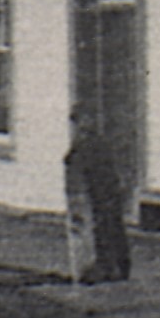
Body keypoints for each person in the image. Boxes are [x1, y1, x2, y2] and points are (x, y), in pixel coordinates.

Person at [63, 107, 130, 283]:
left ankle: (114, 267)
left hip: (104, 190)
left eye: (87, 119)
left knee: (108, 228)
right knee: (99, 229)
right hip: (92, 191)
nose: (83, 125)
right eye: (79, 122)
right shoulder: (81, 144)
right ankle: (107, 267)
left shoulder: (96, 143)